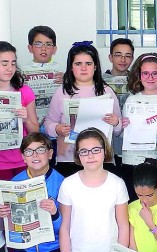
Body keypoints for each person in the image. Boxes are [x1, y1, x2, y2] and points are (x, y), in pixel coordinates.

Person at [58, 128, 130, 252]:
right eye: (84, 151)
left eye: (95, 150)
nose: (90, 156)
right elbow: (64, 229)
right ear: (78, 155)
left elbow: (124, 225)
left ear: (105, 151)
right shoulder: (69, 184)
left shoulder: (117, 184)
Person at [0, 133, 67, 252]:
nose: (35, 155)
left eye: (40, 150)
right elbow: (10, 226)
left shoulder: (63, 184)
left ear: (50, 154)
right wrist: (4, 215)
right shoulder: (15, 183)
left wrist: (55, 214)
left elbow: (68, 227)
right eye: (29, 152)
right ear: (23, 157)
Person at [43, 42, 123, 178]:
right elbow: (49, 122)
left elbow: (119, 130)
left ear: (95, 67)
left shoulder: (107, 92)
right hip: (69, 158)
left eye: (88, 63)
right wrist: (57, 129)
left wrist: (116, 122)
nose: (84, 68)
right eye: (78, 64)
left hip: (101, 158)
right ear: (71, 68)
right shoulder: (62, 92)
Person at [121, 53, 157, 200]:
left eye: (155, 73)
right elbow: (123, 135)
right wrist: (124, 127)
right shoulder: (132, 99)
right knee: (136, 202)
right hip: (135, 160)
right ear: (139, 75)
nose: (150, 78)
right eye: (145, 73)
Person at [0, 41, 40, 179]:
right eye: (4, 63)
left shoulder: (25, 91)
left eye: (13, 63)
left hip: (22, 159)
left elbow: (35, 131)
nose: (9, 68)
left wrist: (25, 119)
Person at [103, 38, 135, 175]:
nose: (123, 59)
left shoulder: (138, 82)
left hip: (131, 147)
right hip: (108, 145)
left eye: (128, 56)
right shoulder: (99, 81)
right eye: (118, 55)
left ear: (132, 59)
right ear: (110, 57)